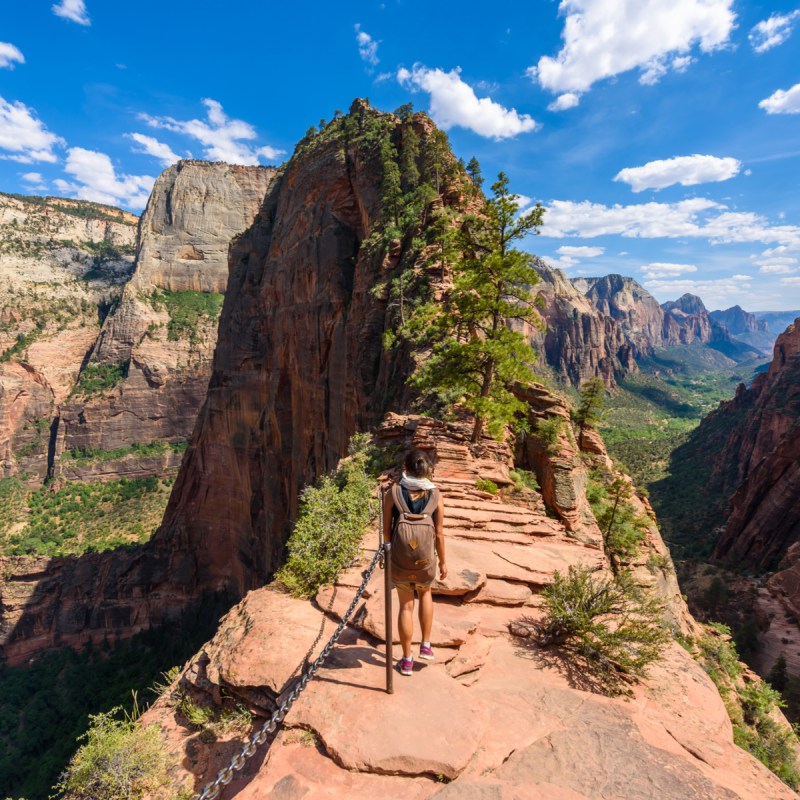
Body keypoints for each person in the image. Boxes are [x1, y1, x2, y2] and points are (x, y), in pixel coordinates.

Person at [382, 448, 446, 676]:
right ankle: (426, 645)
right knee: (426, 593)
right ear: (427, 471)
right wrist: (443, 563)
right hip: (426, 561)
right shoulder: (436, 495)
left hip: (400, 561)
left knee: (406, 605)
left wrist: (387, 556)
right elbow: (439, 533)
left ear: (405, 469)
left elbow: (386, 532)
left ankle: (407, 660)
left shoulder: (394, 492)